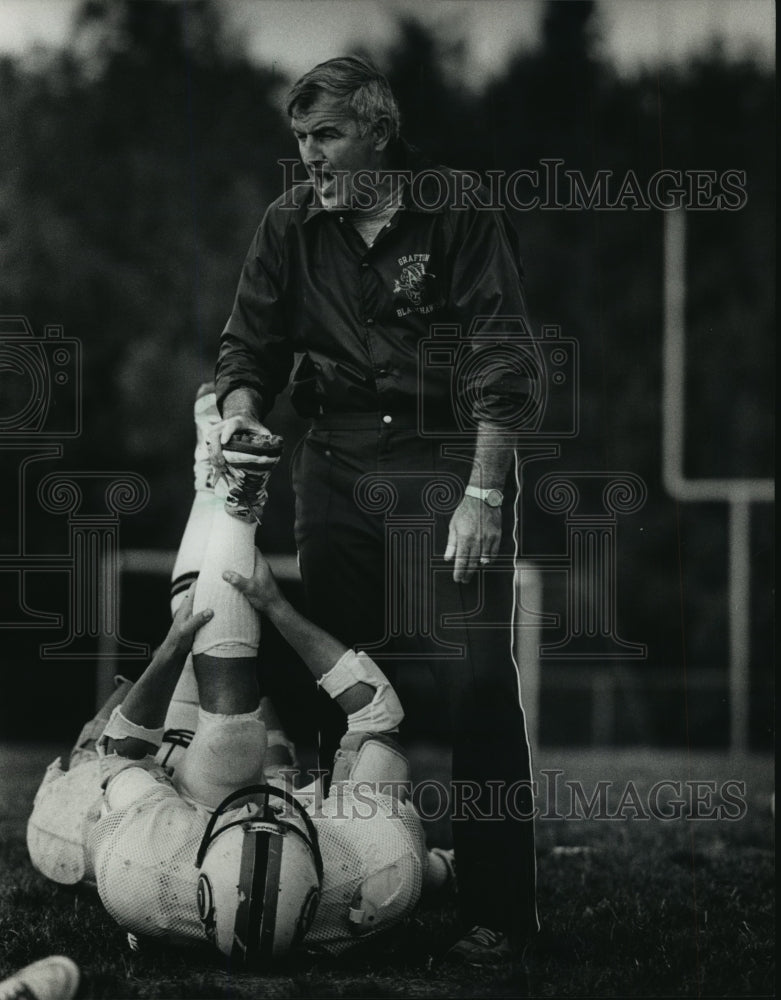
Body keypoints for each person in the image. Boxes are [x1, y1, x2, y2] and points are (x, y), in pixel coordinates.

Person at [209, 55, 538, 961]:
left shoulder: (459, 209)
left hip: (445, 463)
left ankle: (499, 910)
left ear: (380, 132)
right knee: (335, 681)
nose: (309, 157)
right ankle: (334, 883)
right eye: (301, 140)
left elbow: (503, 357)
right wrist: (239, 417)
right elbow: (247, 351)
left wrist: (481, 492)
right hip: (337, 463)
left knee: (475, 682)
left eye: (326, 136)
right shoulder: (288, 226)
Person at [27, 385, 453, 964]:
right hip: (236, 813)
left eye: (255, 810)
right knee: (395, 835)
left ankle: (222, 489)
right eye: (274, 815)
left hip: (149, 811)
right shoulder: (374, 868)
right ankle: (224, 490)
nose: (261, 807)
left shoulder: (141, 873)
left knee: (63, 839)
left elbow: (119, 752)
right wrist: (277, 608)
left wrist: (173, 649)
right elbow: (375, 710)